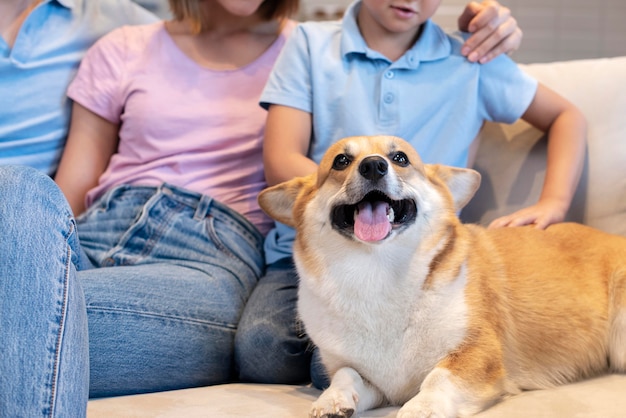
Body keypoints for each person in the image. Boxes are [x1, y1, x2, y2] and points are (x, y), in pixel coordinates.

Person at [0, 0, 523, 417]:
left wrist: (486, 23)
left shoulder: (316, 48)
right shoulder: (121, 44)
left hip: (206, 248)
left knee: (22, 311)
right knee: (17, 186)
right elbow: (66, 192)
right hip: (94, 230)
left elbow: (391, 81)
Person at [236, 0, 587, 390]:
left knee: (341, 367)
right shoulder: (310, 43)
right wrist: (358, 187)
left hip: (419, 263)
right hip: (317, 255)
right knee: (265, 351)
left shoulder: (473, 57)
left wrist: (553, 200)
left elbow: (565, 116)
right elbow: (281, 158)